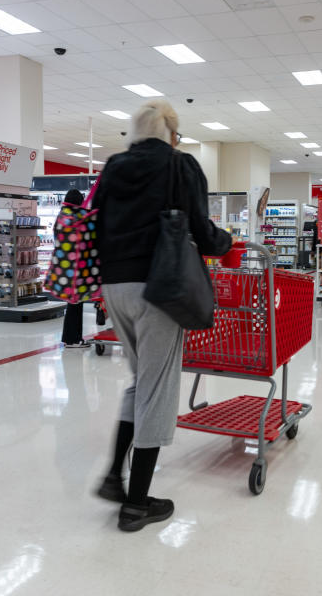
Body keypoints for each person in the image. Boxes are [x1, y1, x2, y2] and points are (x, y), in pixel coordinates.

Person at [92, 99, 232, 532]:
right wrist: (226, 242)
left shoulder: (114, 166)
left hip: (115, 285)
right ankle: (137, 505)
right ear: (172, 132)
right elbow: (203, 233)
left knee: (141, 382)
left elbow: (97, 223)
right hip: (160, 286)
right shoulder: (181, 165)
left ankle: (115, 476)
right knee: (158, 388)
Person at [60, 188, 90, 348]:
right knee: (75, 305)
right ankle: (72, 339)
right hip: (76, 267)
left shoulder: (63, 216)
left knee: (74, 305)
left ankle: (71, 337)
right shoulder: (74, 218)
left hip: (65, 267)